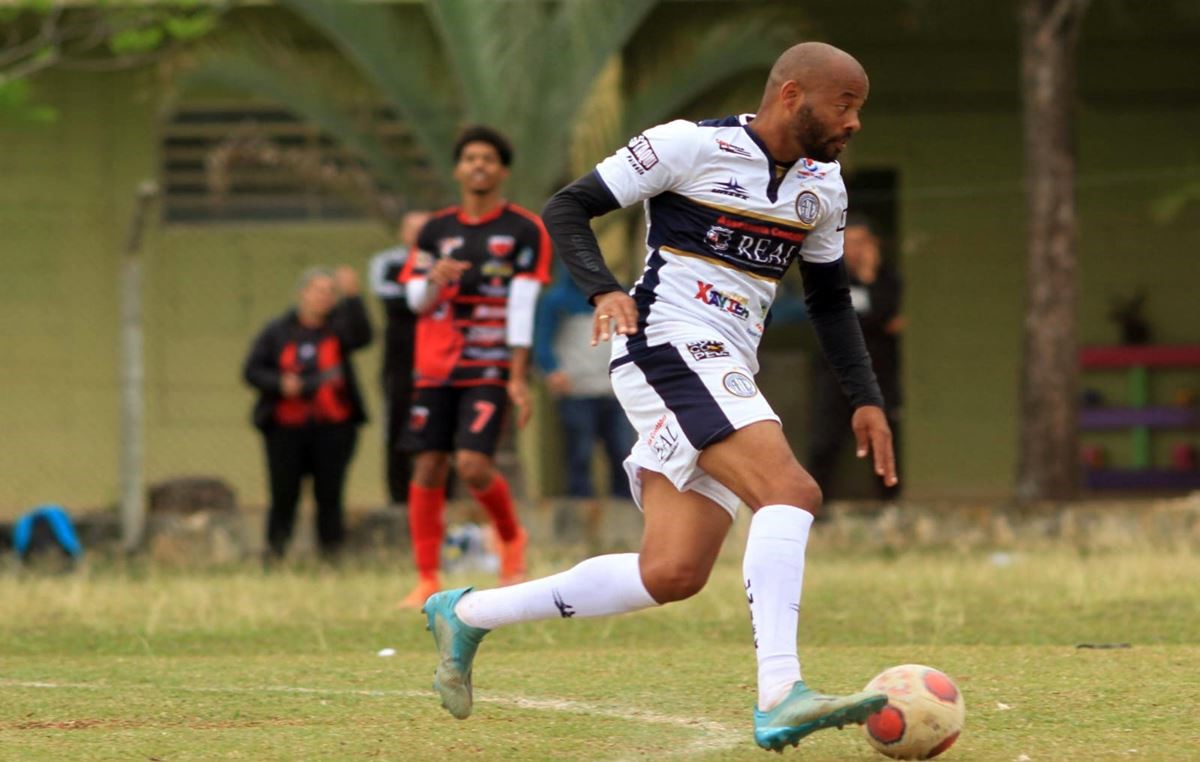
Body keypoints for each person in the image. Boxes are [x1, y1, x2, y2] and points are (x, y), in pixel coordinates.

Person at [420, 42, 898, 753]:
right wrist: (604, 288)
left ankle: (468, 611)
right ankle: (781, 693)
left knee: (672, 573)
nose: (854, 123)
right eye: (845, 105)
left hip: (724, 363)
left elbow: (829, 302)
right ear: (793, 95)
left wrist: (865, 396)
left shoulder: (823, 188)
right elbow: (569, 207)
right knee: (790, 491)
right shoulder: (687, 145)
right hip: (666, 345)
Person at [398, 125, 553, 608]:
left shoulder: (525, 229)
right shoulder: (435, 230)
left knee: (472, 464)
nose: (479, 165)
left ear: (502, 170)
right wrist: (432, 281)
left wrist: (518, 375)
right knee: (427, 463)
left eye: (488, 158)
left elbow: (524, 304)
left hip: (488, 365)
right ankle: (427, 577)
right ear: (458, 169)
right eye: (470, 158)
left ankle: (511, 541)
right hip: (435, 368)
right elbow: (415, 301)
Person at [242, 266, 372, 559]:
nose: (324, 298)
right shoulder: (277, 331)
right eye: (318, 291)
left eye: (330, 292)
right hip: (285, 427)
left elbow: (364, 336)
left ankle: (331, 554)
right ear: (303, 293)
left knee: (330, 493)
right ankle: (276, 552)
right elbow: (251, 370)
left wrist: (353, 296)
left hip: (334, 425)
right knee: (284, 492)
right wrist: (280, 383)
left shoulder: (339, 329)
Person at [807, 214, 903, 501]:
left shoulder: (888, 278)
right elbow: (836, 323)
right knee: (826, 440)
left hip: (880, 373)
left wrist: (869, 278)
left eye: (861, 242)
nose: (854, 249)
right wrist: (874, 322)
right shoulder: (832, 278)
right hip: (835, 374)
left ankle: (889, 507)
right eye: (848, 242)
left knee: (884, 439)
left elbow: (890, 318)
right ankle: (817, 506)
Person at [533, 261, 634, 508]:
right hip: (576, 390)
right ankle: (579, 510)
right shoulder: (556, 302)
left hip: (614, 390)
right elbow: (542, 341)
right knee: (580, 452)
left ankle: (624, 510)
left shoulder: (618, 298)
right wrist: (552, 371)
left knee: (623, 450)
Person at [369, 210, 432, 508]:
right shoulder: (387, 262)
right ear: (402, 233)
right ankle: (398, 499)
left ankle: (440, 498)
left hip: (439, 358)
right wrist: (427, 291)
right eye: (413, 229)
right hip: (399, 361)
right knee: (397, 427)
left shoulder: (447, 261)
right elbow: (393, 298)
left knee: (438, 433)